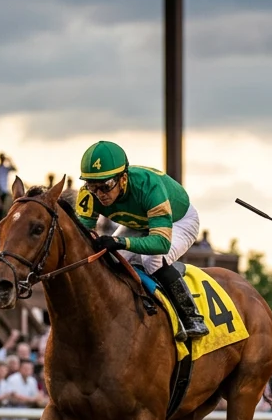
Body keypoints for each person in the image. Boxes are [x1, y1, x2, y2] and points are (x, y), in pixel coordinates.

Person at [75, 140, 207, 339]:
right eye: (92, 186)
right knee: (107, 258)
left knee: (152, 260)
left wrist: (121, 242)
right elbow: (81, 234)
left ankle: (192, 317)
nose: (100, 194)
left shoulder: (148, 186)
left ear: (123, 179)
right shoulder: (88, 195)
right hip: (138, 222)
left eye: (105, 185)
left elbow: (160, 243)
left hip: (178, 221)